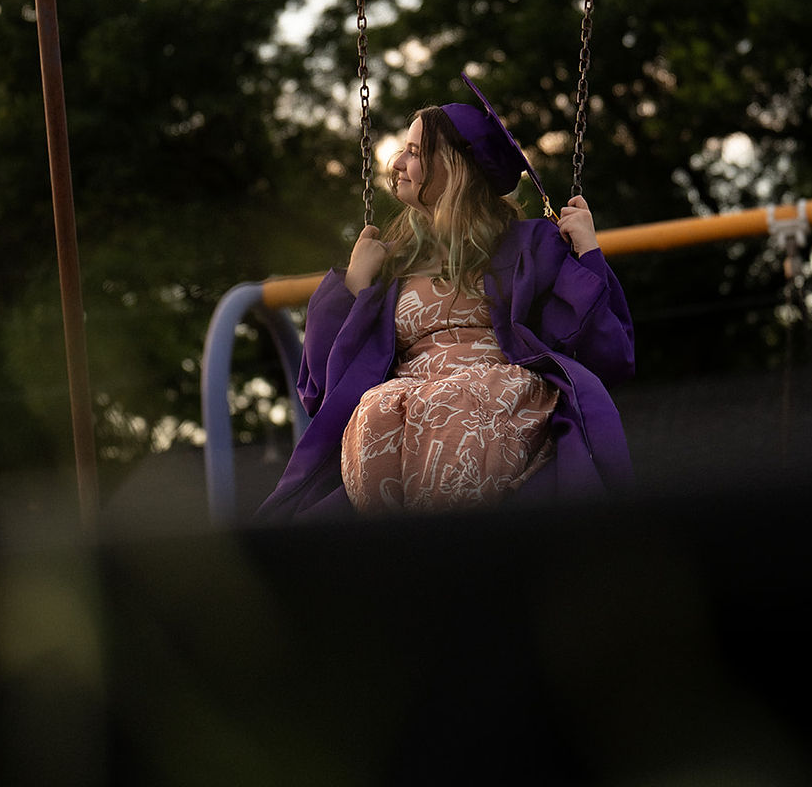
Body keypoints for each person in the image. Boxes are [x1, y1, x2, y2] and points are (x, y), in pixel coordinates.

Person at [259, 77, 635, 520]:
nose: (397, 162)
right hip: (408, 402)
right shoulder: (391, 263)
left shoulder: (529, 248)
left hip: (494, 394)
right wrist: (354, 288)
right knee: (376, 408)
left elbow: (606, 352)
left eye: (415, 152)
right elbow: (322, 390)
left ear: (455, 166)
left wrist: (587, 252)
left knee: (455, 399)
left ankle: (454, 545)